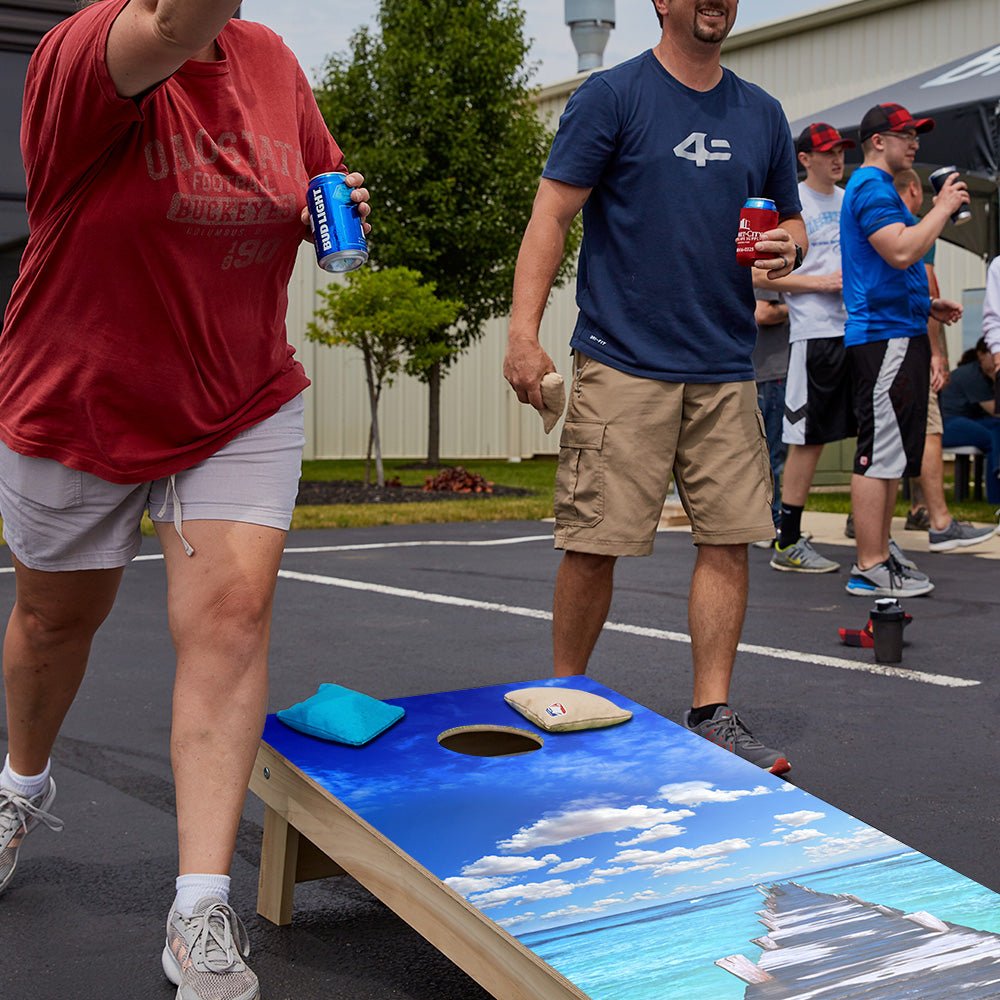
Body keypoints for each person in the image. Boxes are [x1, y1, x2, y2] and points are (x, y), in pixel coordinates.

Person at [0, 2, 370, 998]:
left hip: (238, 396)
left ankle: (198, 907)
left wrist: (326, 203)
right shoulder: (87, 50)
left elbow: (313, 177)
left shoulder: (271, 62)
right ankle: (19, 784)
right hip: (82, 395)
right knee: (51, 621)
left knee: (230, 617)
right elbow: (170, 22)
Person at [504, 0, 805, 775]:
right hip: (621, 358)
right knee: (594, 543)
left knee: (728, 538)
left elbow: (792, 226)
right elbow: (552, 215)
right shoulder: (613, 96)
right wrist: (522, 332)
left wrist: (785, 243)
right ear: (661, 2)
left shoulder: (762, 113)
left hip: (724, 364)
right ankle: (562, 697)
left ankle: (713, 714)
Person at [840, 103, 966, 598]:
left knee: (891, 453)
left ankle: (881, 551)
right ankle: (869, 564)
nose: (914, 142)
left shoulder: (880, 191)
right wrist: (942, 206)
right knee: (879, 452)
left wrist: (926, 304)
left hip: (899, 328)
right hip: (883, 336)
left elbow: (890, 263)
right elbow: (899, 250)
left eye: (917, 134)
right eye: (904, 134)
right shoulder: (871, 187)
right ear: (877, 141)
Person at [765, 123, 856, 575]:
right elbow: (762, 277)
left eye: (841, 151)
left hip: (858, 330)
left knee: (875, 433)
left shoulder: (851, 199)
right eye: (827, 152)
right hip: (813, 334)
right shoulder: (793, 205)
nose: (837, 159)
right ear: (805, 158)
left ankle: (871, 533)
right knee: (808, 439)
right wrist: (820, 282)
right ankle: (788, 540)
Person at [891, 169, 993, 551]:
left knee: (889, 430)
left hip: (876, 339)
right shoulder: (918, 226)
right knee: (929, 429)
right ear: (916, 190)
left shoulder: (877, 224)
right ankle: (940, 522)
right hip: (910, 338)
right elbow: (927, 286)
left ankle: (905, 511)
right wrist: (937, 354)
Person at [940, 338, 1000, 505]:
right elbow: (996, 410)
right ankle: (995, 495)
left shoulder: (985, 375)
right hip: (947, 423)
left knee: (996, 429)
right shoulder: (972, 375)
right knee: (992, 438)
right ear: (981, 355)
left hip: (967, 421)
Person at [751, 284, 790, 541]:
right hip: (771, 372)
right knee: (771, 454)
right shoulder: (766, 270)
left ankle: (768, 521)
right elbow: (763, 312)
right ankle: (770, 522)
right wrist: (800, 303)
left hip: (771, 371)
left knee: (771, 453)